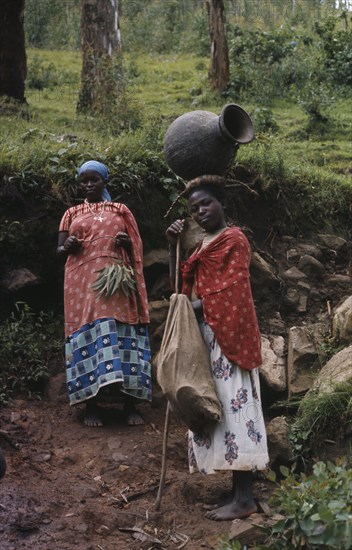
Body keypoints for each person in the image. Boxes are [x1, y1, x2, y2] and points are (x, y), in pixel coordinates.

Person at [166, 176, 269, 521]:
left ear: (221, 202)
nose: (199, 212)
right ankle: (237, 493)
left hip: (231, 335)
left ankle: (245, 499)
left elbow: (230, 290)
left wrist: (189, 309)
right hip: (208, 338)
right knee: (217, 407)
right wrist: (172, 244)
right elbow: (181, 289)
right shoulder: (201, 246)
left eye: (205, 203)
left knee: (236, 409)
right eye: (194, 208)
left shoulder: (234, 240)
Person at [57, 160, 151, 427]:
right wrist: (68, 246)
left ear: (104, 181)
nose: (88, 185)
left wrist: (127, 243)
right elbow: (59, 251)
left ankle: (131, 405)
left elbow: (137, 244)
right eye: (84, 181)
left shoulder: (120, 210)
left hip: (117, 282)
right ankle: (91, 406)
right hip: (81, 284)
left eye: (94, 180)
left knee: (123, 329)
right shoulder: (71, 213)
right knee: (88, 332)